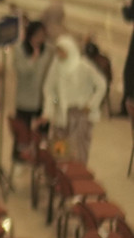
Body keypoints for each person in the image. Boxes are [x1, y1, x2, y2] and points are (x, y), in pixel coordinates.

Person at [39, 36, 106, 165]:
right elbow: (50, 91)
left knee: (78, 152)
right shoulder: (56, 67)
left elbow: (101, 85)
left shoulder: (83, 66)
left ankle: (76, 181)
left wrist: (90, 105)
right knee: (59, 151)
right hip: (61, 116)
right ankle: (60, 181)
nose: (59, 54)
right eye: (57, 51)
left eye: (62, 51)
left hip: (80, 116)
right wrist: (51, 108)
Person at [12, 21, 52, 131]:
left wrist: (54, 102)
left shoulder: (48, 50)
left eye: (42, 36)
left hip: (42, 101)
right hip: (24, 101)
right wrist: (33, 59)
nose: (39, 39)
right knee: (22, 137)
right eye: (37, 35)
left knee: (41, 138)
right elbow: (21, 71)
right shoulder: (19, 49)